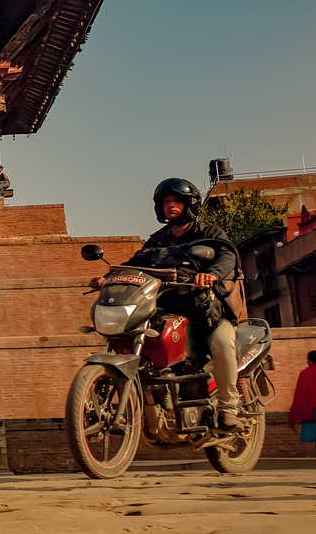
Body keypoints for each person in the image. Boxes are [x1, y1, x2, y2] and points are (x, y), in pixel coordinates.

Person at [97, 178, 242, 430]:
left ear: (189, 204)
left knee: (222, 344)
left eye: (177, 201)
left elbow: (227, 255)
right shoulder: (157, 240)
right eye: (166, 202)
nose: (171, 206)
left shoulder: (209, 233)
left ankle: (229, 408)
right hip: (167, 310)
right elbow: (135, 264)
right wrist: (108, 277)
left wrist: (212, 274)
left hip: (206, 311)